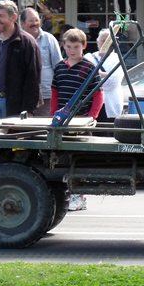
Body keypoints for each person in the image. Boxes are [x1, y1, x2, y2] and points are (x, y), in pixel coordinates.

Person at [52, 28, 97, 211]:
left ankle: (79, 196)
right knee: (63, 158)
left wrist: (92, 116)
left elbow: (98, 94)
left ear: (83, 46)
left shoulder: (89, 68)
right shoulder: (59, 67)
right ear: (63, 46)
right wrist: (54, 115)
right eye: (69, 46)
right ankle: (67, 195)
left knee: (79, 159)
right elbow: (55, 93)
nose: (72, 50)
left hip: (81, 120)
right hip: (62, 121)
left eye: (76, 47)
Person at [0, 0, 41, 119]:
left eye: (1, 16)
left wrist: (28, 109)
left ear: (14, 17)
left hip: (17, 106)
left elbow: (33, 79)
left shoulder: (27, 43)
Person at [21, 7, 62, 117]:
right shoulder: (19, 41)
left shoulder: (49, 39)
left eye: (36, 20)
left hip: (46, 96)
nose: (35, 23)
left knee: (43, 125)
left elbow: (58, 67)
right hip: (23, 96)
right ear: (23, 23)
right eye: (31, 21)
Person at [85, 28, 124, 123]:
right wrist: (104, 75)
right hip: (90, 104)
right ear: (97, 41)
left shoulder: (116, 59)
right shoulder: (88, 58)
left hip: (110, 105)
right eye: (103, 40)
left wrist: (95, 74)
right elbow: (84, 80)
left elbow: (112, 83)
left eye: (108, 41)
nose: (105, 43)